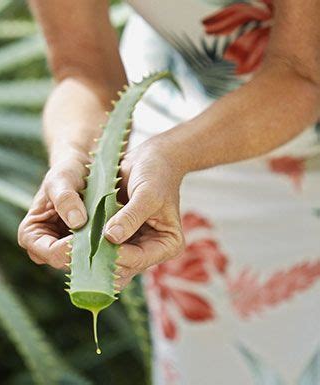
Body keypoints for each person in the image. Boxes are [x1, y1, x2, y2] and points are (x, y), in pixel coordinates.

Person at [18, 1, 320, 384]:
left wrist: (169, 155)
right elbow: (82, 68)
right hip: (186, 151)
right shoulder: (169, 162)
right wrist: (74, 160)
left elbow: (300, 74)